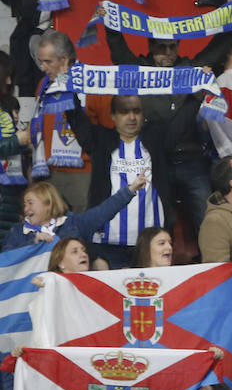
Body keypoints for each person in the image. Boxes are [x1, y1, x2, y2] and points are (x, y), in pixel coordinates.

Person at [64, 92, 202, 268]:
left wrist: (196, 97)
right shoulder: (99, 140)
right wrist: (66, 89)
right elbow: (77, 120)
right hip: (107, 244)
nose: (131, 117)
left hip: (150, 243)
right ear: (113, 116)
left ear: (143, 114)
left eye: (136, 111)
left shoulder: (156, 138)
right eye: (124, 111)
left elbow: (181, 122)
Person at [1, 178, 144, 250]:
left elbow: (103, 212)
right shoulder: (17, 232)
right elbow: (8, 262)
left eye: (30, 203)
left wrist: (130, 190)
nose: (26, 209)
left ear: (48, 203)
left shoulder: (72, 223)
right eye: (25, 204)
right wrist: (33, 243)